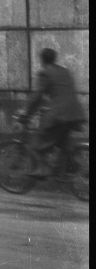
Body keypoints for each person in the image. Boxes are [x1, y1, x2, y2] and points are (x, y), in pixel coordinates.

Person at [17, 47, 86, 178]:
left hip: (60, 114)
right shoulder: (65, 71)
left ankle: (42, 169)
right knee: (62, 142)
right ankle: (68, 166)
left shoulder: (45, 73)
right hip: (75, 113)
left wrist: (25, 114)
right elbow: (62, 93)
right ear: (55, 58)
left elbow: (37, 96)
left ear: (42, 60)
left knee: (37, 142)